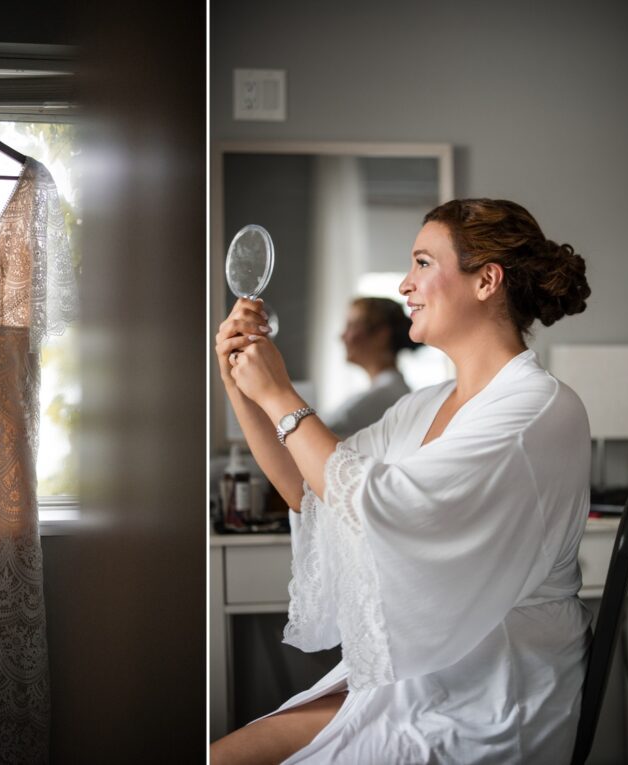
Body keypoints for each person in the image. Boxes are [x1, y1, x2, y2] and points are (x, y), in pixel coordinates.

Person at [211, 198, 593, 764]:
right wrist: (242, 386)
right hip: (416, 677)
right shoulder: (426, 405)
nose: (404, 283)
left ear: (487, 280)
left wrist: (279, 394)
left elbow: (378, 506)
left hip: (489, 692)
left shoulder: (537, 408)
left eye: (421, 262)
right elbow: (312, 488)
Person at [324, 297, 418, 439]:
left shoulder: (383, 398)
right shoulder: (390, 392)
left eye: (352, 326)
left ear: (382, 335)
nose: (342, 336)